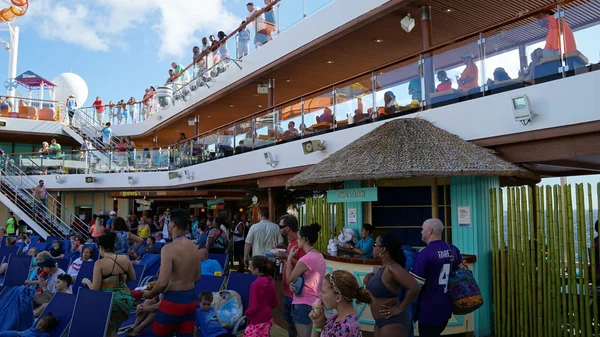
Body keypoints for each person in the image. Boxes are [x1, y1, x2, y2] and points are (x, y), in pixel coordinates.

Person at [143, 209, 202, 337]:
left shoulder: (168, 249)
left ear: (173, 223)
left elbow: (162, 283)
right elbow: (197, 277)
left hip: (173, 301)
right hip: (191, 300)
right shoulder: (194, 247)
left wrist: (149, 294)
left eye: (169, 222)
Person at [409, 219, 463, 337]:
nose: (421, 232)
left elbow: (415, 285)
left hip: (429, 309)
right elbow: (463, 271)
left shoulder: (424, 254)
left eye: (422, 229)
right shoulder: (452, 249)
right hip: (446, 306)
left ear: (430, 231)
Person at [363, 232, 420, 337]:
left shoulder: (393, 267)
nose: (373, 247)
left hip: (393, 322)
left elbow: (415, 287)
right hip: (381, 322)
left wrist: (400, 308)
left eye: (375, 245)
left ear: (383, 249)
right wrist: (368, 280)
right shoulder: (383, 267)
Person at [82, 232, 135, 337]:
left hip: (110, 301)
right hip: (125, 300)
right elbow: (133, 278)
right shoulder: (124, 258)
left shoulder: (100, 263)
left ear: (100, 247)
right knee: (113, 331)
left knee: (107, 332)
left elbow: (94, 289)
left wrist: (87, 281)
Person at [285, 223, 326, 337]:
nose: (297, 241)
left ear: (304, 239)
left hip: (304, 303)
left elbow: (289, 279)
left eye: (298, 238)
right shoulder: (319, 256)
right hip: (315, 302)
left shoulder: (306, 259)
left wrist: (289, 258)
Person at [309, 270, 374, 337]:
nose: (320, 295)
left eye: (323, 291)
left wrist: (316, 327)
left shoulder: (344, 329)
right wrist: (318, 324)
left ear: (338, 298)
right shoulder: (335, 317)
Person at [272, 214, 305, 337]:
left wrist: (286, 257)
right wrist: (284, 252)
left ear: (287, 228)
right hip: (288, 291)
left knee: (293, 327)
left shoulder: (298, 243)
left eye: (281, 226)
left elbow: (303, 265)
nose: (279, 229)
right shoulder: (291, 243)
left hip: (294, 292)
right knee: (291, 325)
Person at [245, 255, 278, 336]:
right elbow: (275, 303)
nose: (249, 269)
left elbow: (253, 307)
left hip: (257, 320)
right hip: (268, 319)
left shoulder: (255, 285)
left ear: (256, 270)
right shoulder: (271, 281)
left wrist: (247, 314)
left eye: (250, 267)